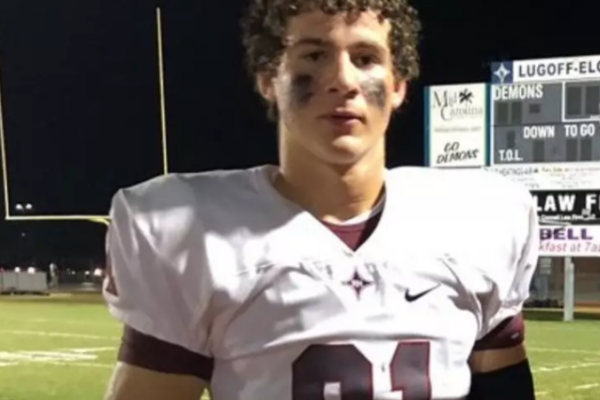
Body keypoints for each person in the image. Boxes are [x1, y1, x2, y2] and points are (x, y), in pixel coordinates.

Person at [102, 1, 539, 399]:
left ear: (398, 85)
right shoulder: (189, 230)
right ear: (268, 79)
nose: (343, 80)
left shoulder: (479, 218)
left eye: (366, 59)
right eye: (314, 55)